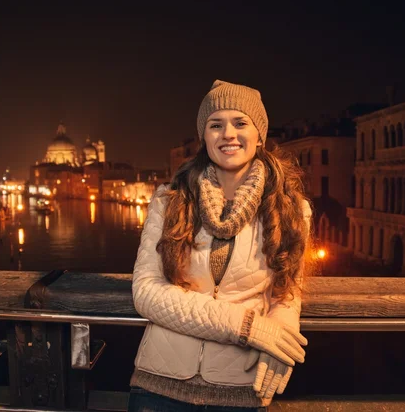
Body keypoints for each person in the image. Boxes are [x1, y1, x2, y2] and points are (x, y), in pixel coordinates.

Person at [128, 80, 312, 411]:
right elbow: (146, 293)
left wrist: (281, 335)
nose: (228, 133)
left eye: (240, 123)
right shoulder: (168, 200)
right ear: (205, 137)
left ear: (260, 136)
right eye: (216, 125)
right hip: (158, 387)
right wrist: (248, 327)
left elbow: (287, 292)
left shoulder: (293, 210)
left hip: (240, 390)